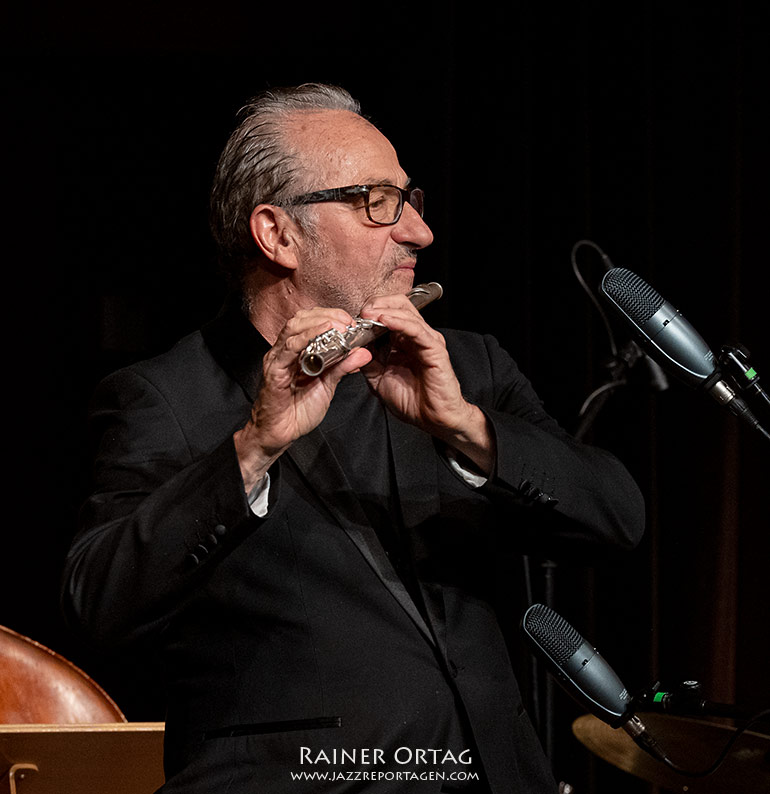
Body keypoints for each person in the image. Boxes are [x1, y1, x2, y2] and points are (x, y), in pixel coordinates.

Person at [61, 83, 645, 793]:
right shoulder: (168, 396)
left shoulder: (466, 366)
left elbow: (619, 519)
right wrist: (251, 450)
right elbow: (100, 602)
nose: (419, 233)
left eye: (411, 201)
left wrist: (466, 427)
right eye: (377, 203)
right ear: (278, 234)